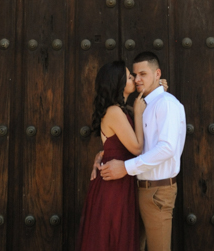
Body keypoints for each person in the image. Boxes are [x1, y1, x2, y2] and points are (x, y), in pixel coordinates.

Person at [100, 52, 186, 251]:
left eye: (143, 74)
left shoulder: (166, 103)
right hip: (133, 190)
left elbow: (167, 148)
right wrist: (102, 154)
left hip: (157, 192)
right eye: (134, 75)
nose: (137, 79)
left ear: (158, 74)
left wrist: (125, 167)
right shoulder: (142, 105)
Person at [77, 60, 146, 251]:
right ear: (119, 83)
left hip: (120, 179)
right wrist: (138, 113)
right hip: (114, 184)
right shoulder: (114, 111)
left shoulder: (121, 110)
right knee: (113, 234)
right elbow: (137, 148)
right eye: (129, 77)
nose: (134, 79)